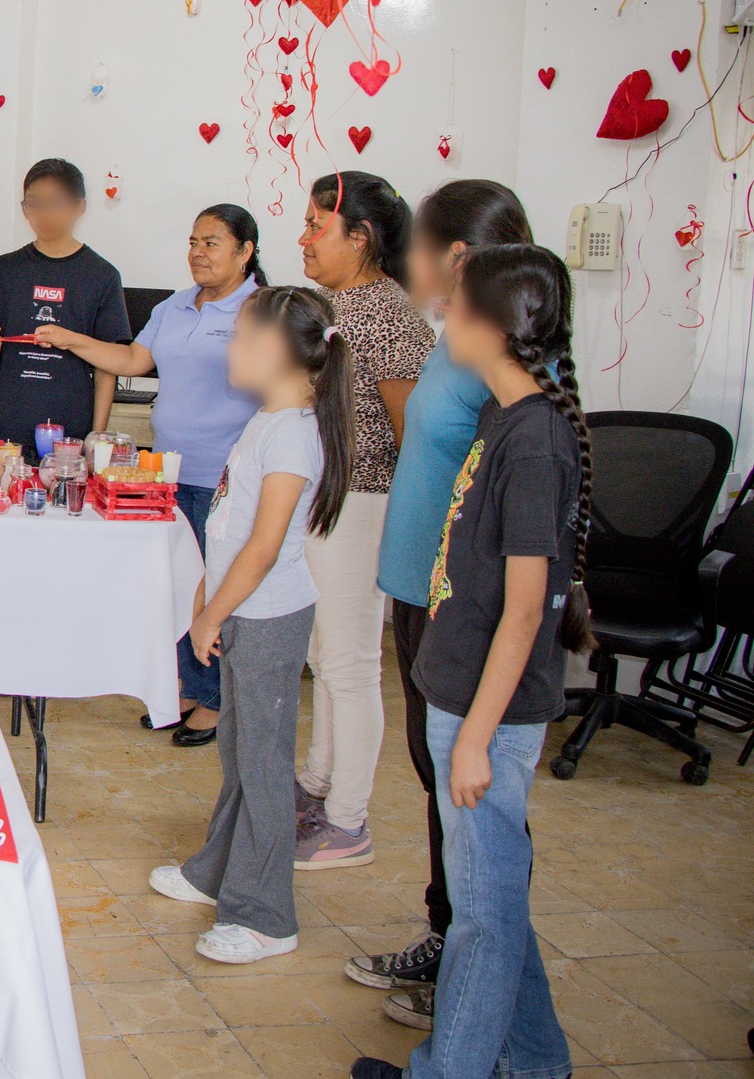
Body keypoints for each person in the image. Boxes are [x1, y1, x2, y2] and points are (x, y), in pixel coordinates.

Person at [351, 243, 587, 1079]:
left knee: (482, 919)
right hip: (461, 693)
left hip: (489, 713)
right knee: (495, 902)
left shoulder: (536, 444)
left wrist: (479, 737)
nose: (441, 318)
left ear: (489, 325)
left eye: (455, 307)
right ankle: (537, 1059)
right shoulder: (504, 417)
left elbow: (526, 607)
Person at [342, 180, 532, 1029]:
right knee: (434, 779)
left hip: (457, 599)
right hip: (420, 589)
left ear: (455, 257)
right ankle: (446, 932)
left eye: (415, 244)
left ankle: (470, 961)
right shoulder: (452, 341)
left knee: (464, 787)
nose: (404, 258)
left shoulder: (504, 357)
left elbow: (510, 488)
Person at [146, 286, 354, 966]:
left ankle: (267, 915)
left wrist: (210, 610)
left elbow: (264, 548)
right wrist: (208, 591)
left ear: (272, 349)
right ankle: (216, 870)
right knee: (239, 750)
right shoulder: (269, 417)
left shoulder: (294, 430)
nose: (229, 349)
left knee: (263, 764)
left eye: (238, 337)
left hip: (266, 618)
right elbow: (233, 524)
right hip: (242, 610)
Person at [51, 204, 267, 746]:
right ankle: (187, 689)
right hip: (168, 469)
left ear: (246, 252)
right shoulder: (175, 305)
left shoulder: (260, 309)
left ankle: (216, 700)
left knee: (215, 586)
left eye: (213, 243)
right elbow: (132, 360)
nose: (197, 251)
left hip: (225, 474)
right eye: (193, 240)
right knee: (178, 584)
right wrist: (72, 339)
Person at [295, 170, 433, 870]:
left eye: (318, 225)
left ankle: (349, 820)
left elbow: (417, 436)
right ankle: (317, 785)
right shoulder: (332, 303)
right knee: (326, 656)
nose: (304, 237)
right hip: (328, 501)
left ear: (362, 236)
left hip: (367, 503)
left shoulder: (389, 313)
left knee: (349, 663)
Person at [0, 159, 130, 460]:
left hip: (72, 432)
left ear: (80, 207)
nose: (43, 214)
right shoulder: (4, 270)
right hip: (9, 427)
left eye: (55, 203)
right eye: (34, 204)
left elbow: (109, 366)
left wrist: (96, 437)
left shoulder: (102, 275)